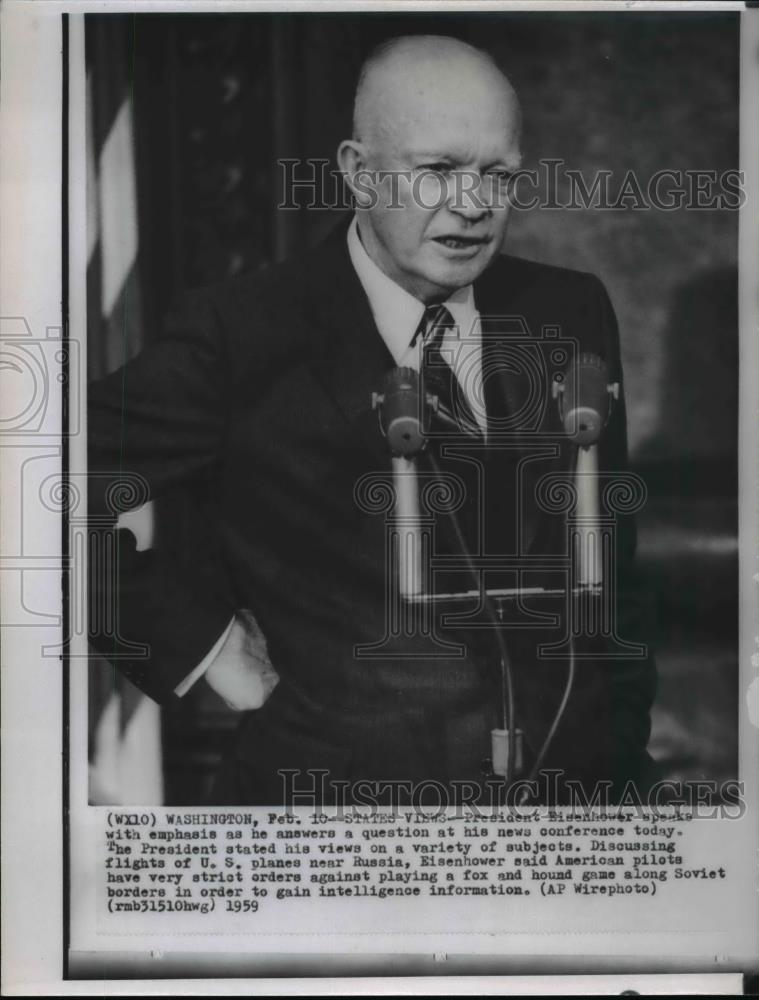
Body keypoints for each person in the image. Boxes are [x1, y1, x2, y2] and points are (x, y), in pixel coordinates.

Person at [88, 35, 657, 806]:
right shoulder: (246, 330)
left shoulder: (570, 308)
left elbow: (610, 576)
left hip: (570, 818)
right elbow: (27, 487)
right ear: (357, 172)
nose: (472, 205)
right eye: (436, 172)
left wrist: (621, 762)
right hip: (336, 824)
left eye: (497, 175)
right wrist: (201, 646)